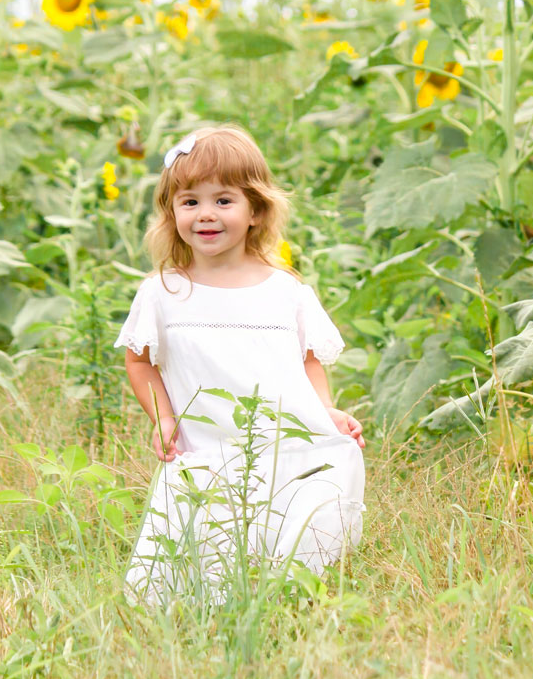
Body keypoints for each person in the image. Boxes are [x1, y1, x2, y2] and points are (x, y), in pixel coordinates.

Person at [114, 125, 366, 605]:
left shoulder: (284, 290)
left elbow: (309, 359)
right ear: (172, 214)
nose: (206, 214)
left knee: (304, 518)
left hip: (284, 444)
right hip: (207, 446)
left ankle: (289, 597)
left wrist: (326, 410)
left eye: (223, 200)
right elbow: (138, 361)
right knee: (196, 567)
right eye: (190, 202)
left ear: (256, 210)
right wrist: (164, 417)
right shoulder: (164, 292)